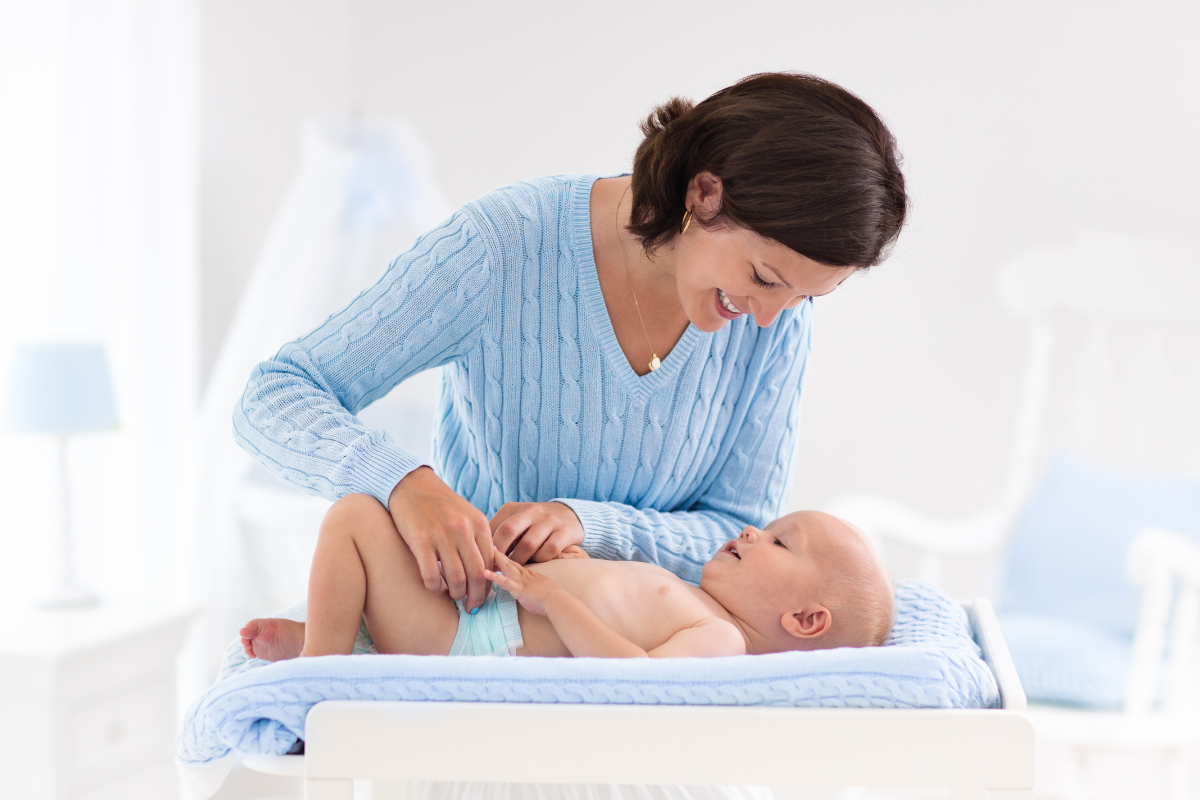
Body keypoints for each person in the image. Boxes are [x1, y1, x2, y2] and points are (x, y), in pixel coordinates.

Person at [233, 72, 907, 613]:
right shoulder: (506, 246)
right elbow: (274, 396)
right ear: (704, 194)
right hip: (482, 675)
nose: (769, 318)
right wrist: (404, 482)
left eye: (802, 297)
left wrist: (589, 524)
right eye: (763, 277)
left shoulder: (777, 318)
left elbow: (736, 532)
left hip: (642, 696)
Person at [240, 495, 893, 661]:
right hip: (484, 611)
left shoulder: (722, 641)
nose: (753, 530)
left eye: (781, 540)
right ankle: (331, 636)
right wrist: (576, 575)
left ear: (805, 619)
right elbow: (619, 617)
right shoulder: (698, 603)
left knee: (355, 516)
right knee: (374, 527)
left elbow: (631, 675)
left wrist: (553, 598)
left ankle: (320, 669)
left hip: (477, 635)